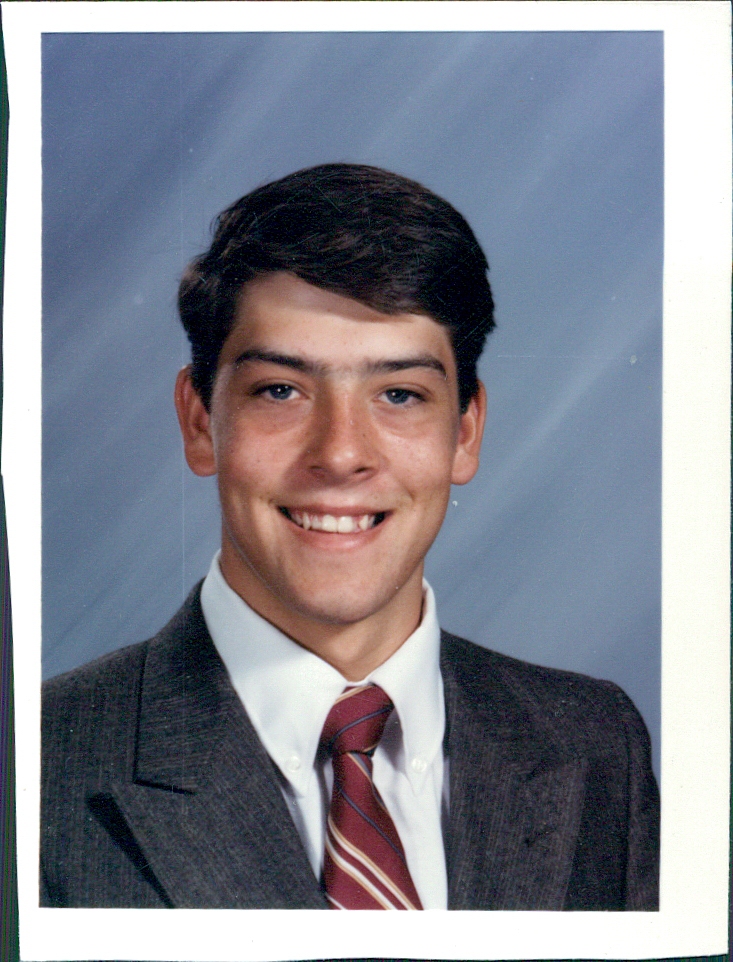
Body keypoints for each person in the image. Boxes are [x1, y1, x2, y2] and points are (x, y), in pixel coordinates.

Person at [41, 163, 659, 910]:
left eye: (399, 394)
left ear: (465, 433)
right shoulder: (41, 763)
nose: (339, 454)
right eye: (281, 390)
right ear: (199, 421)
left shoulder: (597, 746)